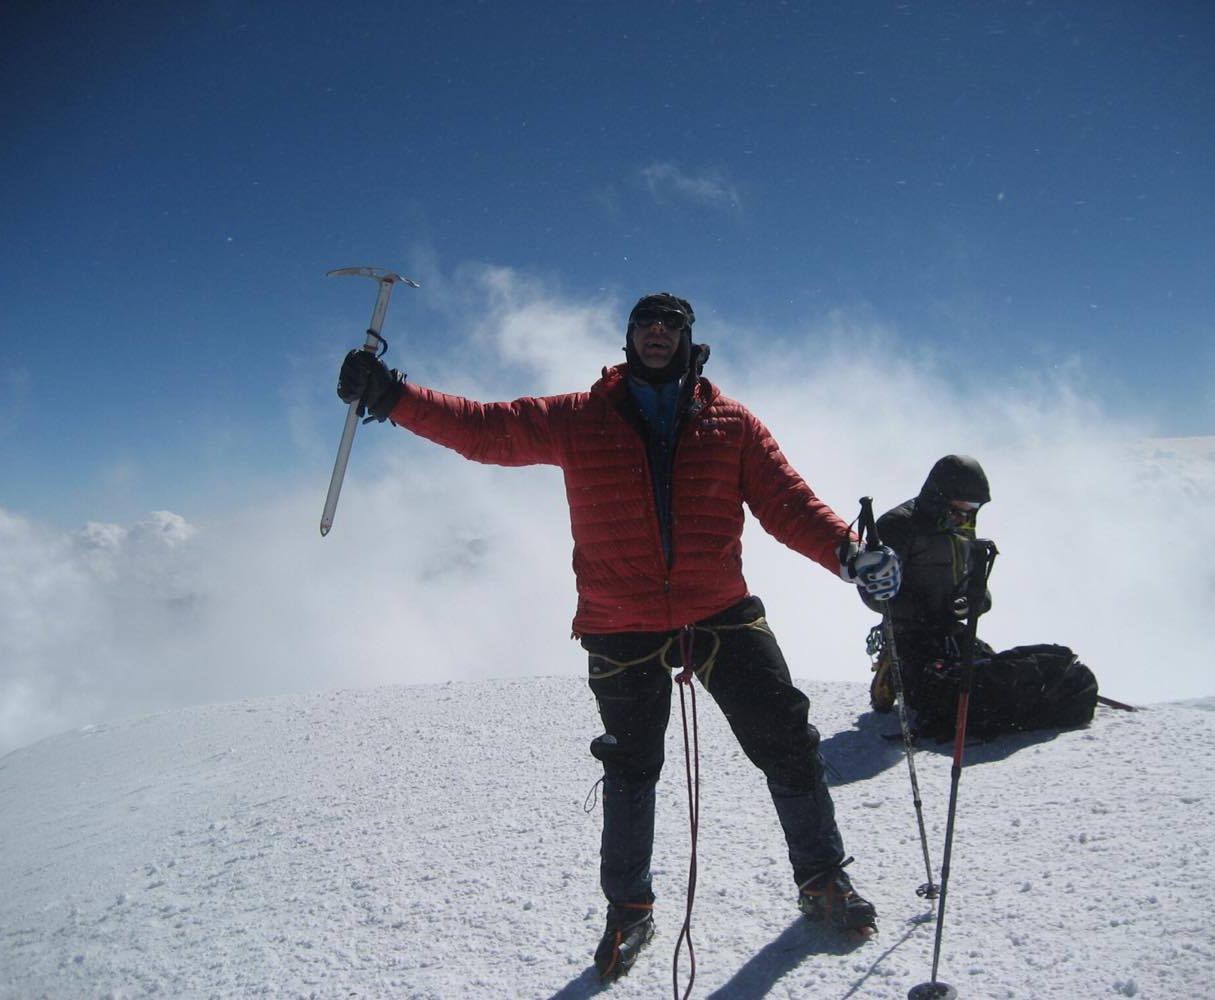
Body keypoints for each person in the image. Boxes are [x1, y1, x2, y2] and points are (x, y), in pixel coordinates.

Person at [337, 292, 901, 979]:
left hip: (717, 608)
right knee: (632, 770)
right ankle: (629, 909)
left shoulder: (732, 424)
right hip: (620, 618)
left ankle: (822, 879)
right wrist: (393, 396)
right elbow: (488, 430)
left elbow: (786, 501)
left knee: (786, 740)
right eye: (646, 323)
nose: (658, 332)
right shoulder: (581, 417)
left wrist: (849, 551)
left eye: (672, 324)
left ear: (690, 338)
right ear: (629, 337)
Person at [863, 455, 1098, 739]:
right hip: (910, 638)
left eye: (974, 509)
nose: (967, 516)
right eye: (962, 508)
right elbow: (873, 592)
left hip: (951, 632)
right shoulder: (898, 526)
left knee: (1001, 679)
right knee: (961, 698)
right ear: (940, 497)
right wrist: (929, 609)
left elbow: (976, 587)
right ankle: (894, 665)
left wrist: (972, 602)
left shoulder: (961, 527)